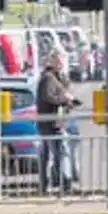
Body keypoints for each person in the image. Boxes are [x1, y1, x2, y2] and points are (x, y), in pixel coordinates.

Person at [35, 49, 78, 195]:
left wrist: (70, 102)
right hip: (50, 123)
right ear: (51, 62)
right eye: (58, 61)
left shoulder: (59, 77)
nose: (61, 64)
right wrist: (65, 100)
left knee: (56, 153)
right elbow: (48, 97)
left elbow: (60, 94)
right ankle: (61, 183)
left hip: (57, 122)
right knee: (56, 154)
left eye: (62, 61)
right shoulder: (48, 78)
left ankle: (57, 183)